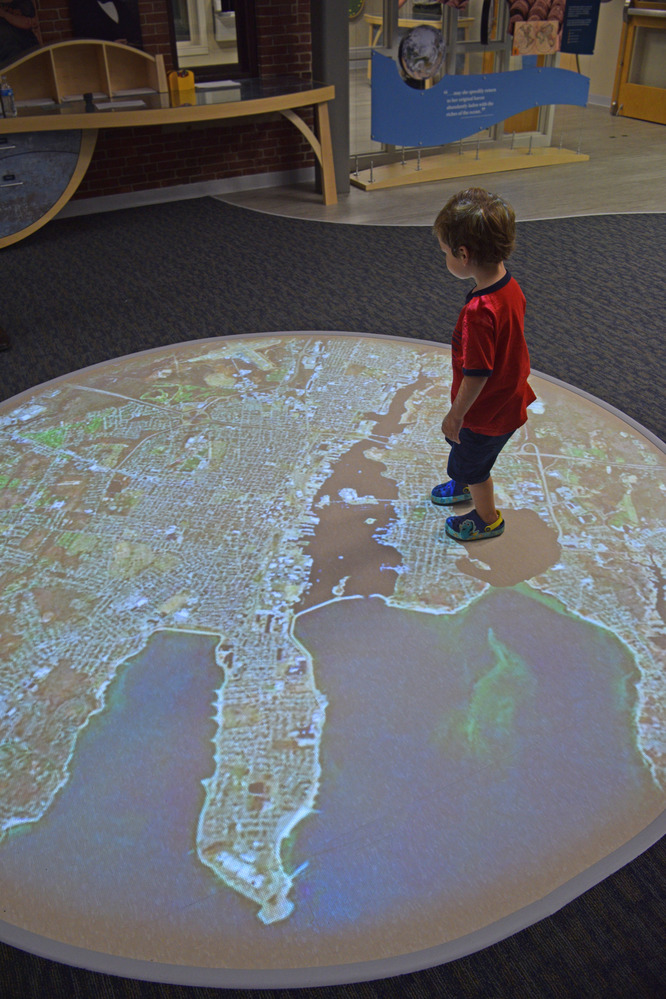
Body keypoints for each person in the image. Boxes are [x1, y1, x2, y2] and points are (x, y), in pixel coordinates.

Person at [431, 187, 536, 541]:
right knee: (463, 453)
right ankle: (461, 483)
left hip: (485, 412)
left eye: (445, 251)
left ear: (463, 253)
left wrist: (456, 414)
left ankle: (486, 517)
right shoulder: (509, 286)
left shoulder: (479, 312)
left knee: (474, 464)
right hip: (507, 396)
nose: (444, 256)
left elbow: (477, 374)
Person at [0, 0, 40, 67]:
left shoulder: (23, 2)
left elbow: (27, 23)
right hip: (5, 57)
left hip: (26, 51)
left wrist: (4, 14)